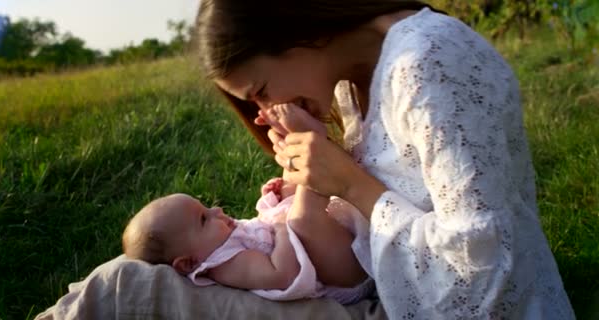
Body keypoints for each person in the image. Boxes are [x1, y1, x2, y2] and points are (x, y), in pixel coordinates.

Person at [195, 0, 576, 318]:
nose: (266, 111)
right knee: (157, 270)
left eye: (261, 91)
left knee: (149, 287)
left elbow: (483, 262)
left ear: (294, 30)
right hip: (387, 298)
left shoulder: (427, 60)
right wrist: (315, 171)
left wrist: (348, 183)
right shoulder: (352, 82)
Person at [121, 105, 374, 304]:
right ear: (189, 263)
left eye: (206, 207)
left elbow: (261, 229)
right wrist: (284, 227)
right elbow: (282, 274)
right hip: (341, 280)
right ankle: (312, 144)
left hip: (327, 253)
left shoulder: (219, 241)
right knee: (300, 220)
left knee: (288, 190)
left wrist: (274, 201)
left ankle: (297, 148)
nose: (217, 211)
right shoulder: (224, 265)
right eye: (203, 219)